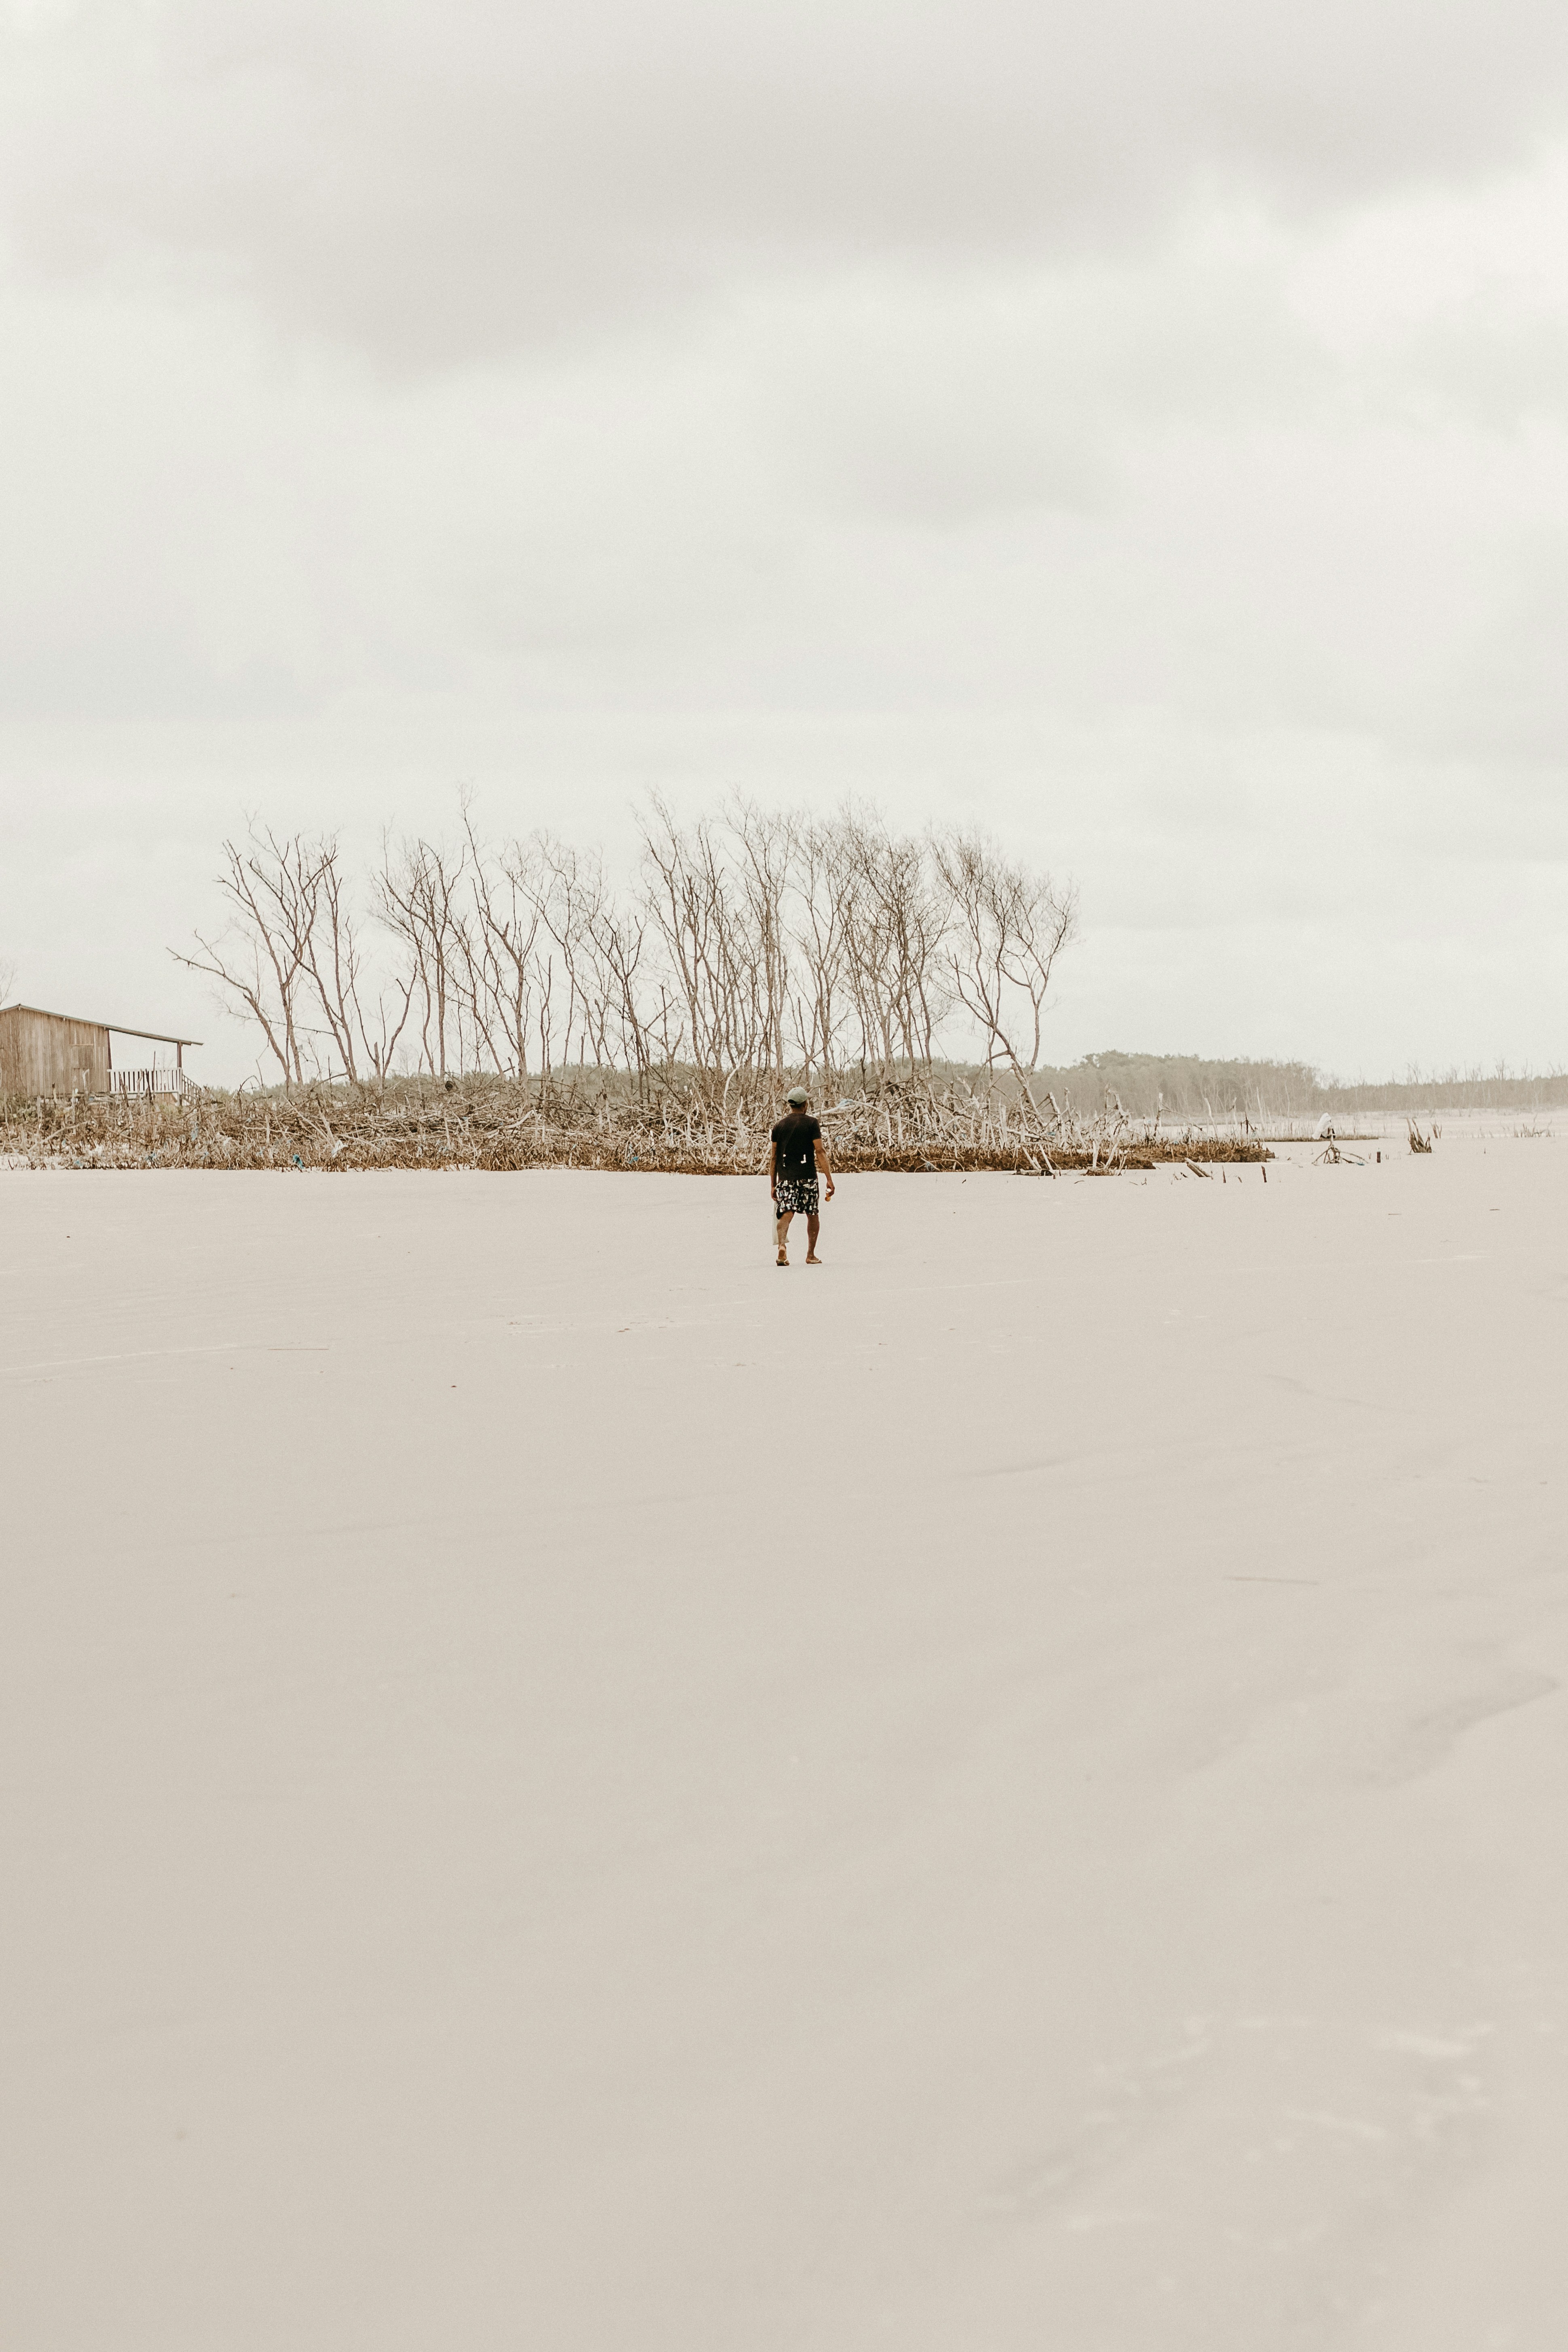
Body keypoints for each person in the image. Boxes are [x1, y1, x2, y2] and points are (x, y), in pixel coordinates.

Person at [770, 1085, 834, 1266]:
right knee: (812, 1214)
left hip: (786, 1177)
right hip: (808, 1177)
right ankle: (811, 1255)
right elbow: (820, 1151)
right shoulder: (812, 1123)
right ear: (805, 1104)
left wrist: (773, 1184)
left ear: (791, 1105)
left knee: (786, 1213)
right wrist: (829, 1179)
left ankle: (782, 1245)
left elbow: (774, 1158)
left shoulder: (779, 1126)